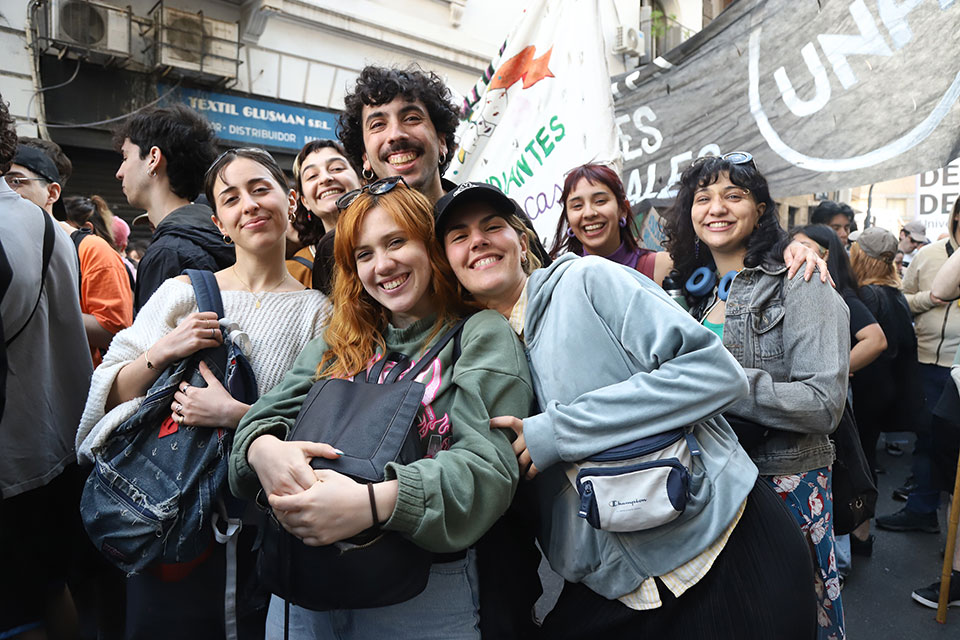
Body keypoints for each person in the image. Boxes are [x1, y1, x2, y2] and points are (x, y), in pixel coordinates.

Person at [436, 181, 818, 639]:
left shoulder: (587, 282)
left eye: (492, 226)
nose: (477, 240)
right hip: (623, 590)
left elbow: (716, 373)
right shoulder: (466, 358)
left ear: (521, 240)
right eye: (458, 236)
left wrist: (560, 432)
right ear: (446, 263)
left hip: (730, 547)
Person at [229, 178, 534, 639]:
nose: (383, 265)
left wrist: (372, 504)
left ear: (429, 247)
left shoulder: (480, 334)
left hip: (421, 593)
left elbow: (487, 470)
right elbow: (261, 419)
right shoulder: (339, 338)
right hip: (301, 589)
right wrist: (264, 451)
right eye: (365, 254)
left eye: (396, 242)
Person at [76, 147, 330, 639]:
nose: (250, 205)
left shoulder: (320, 313)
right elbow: (106, 396)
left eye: (261, 189)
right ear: (220, 223)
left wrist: (235, 414)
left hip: (268, 536)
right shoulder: (181, 293)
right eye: (232, 199)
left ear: (291, 200)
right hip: (168, 527)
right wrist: (165, 350)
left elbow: (324, 426)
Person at [663, 154, 849, 639]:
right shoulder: (693, 296)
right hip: (711, 486)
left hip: (779, 483)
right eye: (703, 198)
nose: (716, 208)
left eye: (733, 195)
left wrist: (714, 382)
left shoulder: (803, 279)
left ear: (761, 209)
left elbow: (824, 402)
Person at [0, 94, 94, 640]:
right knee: (47, 590)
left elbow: (96, 325)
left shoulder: (39, 231)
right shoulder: (45, 231)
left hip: (19, 461)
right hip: (46, 449)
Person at [876, 197, 960, 534]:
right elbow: (903, 300)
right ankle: (922, 510)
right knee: (927, 441)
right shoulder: (928, 255)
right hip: (926, 361)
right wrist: (932, 299)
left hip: (957, 366)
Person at [113, 105, 235, 311]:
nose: (119, 172)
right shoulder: (215, 234)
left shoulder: (168, 253)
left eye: (125, 158)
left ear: (153, 158)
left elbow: (151, 340)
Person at [549, 163, 670, 282]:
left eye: (600, 201)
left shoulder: (660, 268)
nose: (589, 213)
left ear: (623, 209)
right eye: (577, 206)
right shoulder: (559, 278)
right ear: (568, 220)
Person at [286, 139, 361, 288]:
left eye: (337, 168)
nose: (325, 178)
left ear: (361, 181)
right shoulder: (294, 273)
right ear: (304, 201)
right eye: (312, 176)